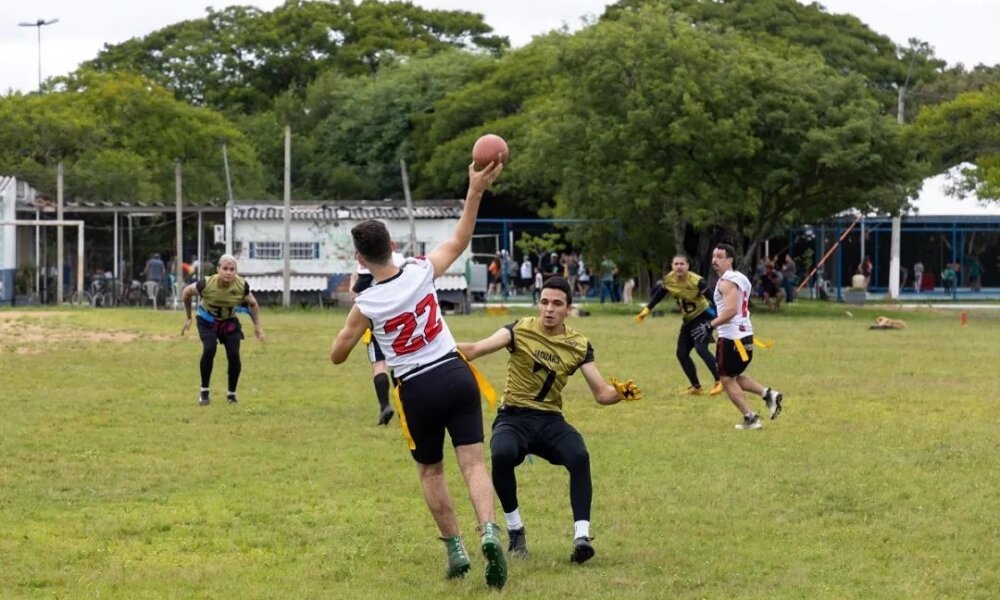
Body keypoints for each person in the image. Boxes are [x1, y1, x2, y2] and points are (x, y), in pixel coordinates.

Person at [329, 159, 508, 589]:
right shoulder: (420, 269)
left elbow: (337, 354)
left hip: (416, 387)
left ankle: (456, 549)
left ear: (360, 258)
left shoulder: (367, 303)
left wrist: (360, 310)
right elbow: (461, 238)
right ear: (392, 245)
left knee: (431, 472)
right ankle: (488, 530)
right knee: (473, 463)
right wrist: (475, 189)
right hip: (454, 371)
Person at [456, 276, 642, 564]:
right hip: (514, 416)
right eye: (544, 302)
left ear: (569, 308)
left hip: (550, 419)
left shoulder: (579, 345)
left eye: (557, 303)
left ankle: (582, 536)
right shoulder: (519, 330)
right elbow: (475, 349)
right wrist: (434, 347)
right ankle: (516, 530)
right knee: (502, 453)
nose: (549, 309)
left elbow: (601, 394)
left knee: (579, 455)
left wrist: (621, 393)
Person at [692, 243, 784, 430]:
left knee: (726, 380)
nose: (714, 260)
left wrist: (710, 325)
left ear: (730, 260)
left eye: (719, 256)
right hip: (745, 337)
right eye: (713, 256)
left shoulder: (726, 281)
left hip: (732, 339)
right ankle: (769, 394)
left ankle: (751, 419)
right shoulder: (741, 278)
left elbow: (731, 310)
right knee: (733, 376)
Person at [181, 254, 265, 406]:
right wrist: (188, 317)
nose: (228, 272)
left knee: (234, 355)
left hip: (229, 322)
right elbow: (186, 292)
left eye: (232, 269)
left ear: (236, 271)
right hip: (207, 320)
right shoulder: (206, 283)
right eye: (225, 269)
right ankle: (204, 391)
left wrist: (257, 326)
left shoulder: (241, 286)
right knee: (210, 348)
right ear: (218, 269)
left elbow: (253, 304)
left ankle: (231, 395)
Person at [635, 254, 722, 396]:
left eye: (682, 264)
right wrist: (647, 309)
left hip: (702, 316)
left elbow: (714, 299)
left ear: (688, 266)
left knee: (701, 348)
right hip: (687, 320)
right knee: (681, 353)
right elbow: (659, 294)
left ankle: (720, 381)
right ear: (672, 266)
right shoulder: (669, 280)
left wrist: (719, 319)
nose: (679, 267)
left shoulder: (697, 281)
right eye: (676, 264)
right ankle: (696, 387)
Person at [349, 249, 406, 426]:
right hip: (401, 320)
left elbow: (356, 294)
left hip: (375, 321)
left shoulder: (365, 267)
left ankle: (384, 406)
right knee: (403, 364)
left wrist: (352, 281)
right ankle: (406, 407)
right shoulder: (398, 262)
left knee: (379, 364)